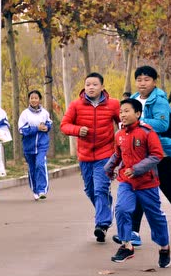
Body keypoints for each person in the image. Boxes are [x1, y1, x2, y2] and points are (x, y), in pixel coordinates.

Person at [112, 66, 171, 247]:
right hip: (141, 154)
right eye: (139, 79)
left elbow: (162, 124)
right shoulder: (133, 100)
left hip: (164, 152)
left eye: (147, 79)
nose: (142, 83)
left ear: (154, 81)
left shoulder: (160, 100)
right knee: (139, 188)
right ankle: (133, 232)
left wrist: (138, 121)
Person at [104, 98, 171, 268]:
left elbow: (157, 155)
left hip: (147, 183)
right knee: (121, 209)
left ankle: (164, 247)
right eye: (121, 112)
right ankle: (127, 245)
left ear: (138, 114)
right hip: (127, 182)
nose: (122, 114)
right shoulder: (119, 135)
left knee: (155, 218)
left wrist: (136, 169)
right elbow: (117, 155)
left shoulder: (147, 132)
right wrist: (109, 167)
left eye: (127, 111)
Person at [60, 72, 120, 242]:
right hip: (85, 155)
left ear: (102, 86)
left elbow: (122, 122)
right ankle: (105, 212)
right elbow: (64, 125)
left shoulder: (113, 104)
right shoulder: (76, 105)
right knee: (90, 190)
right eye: (88, 84)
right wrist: (78, 130)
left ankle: (101, 224)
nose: (91, 87)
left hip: (105, 154)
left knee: (101, 188)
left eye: (94, 84)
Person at [18, 90, 52, 200]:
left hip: (42, 144)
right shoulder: (25, 114)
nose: (34, 100)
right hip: (29, 147)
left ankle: (42, 190)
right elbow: (22, 130)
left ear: (40, 99)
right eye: (32, 98)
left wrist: (47, 127)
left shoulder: (45, 113)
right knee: (32, 168)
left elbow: (49, 123)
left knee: (40, 165)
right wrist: (36, 128)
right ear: (29, 100)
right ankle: (35, 190)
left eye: (36, 98)